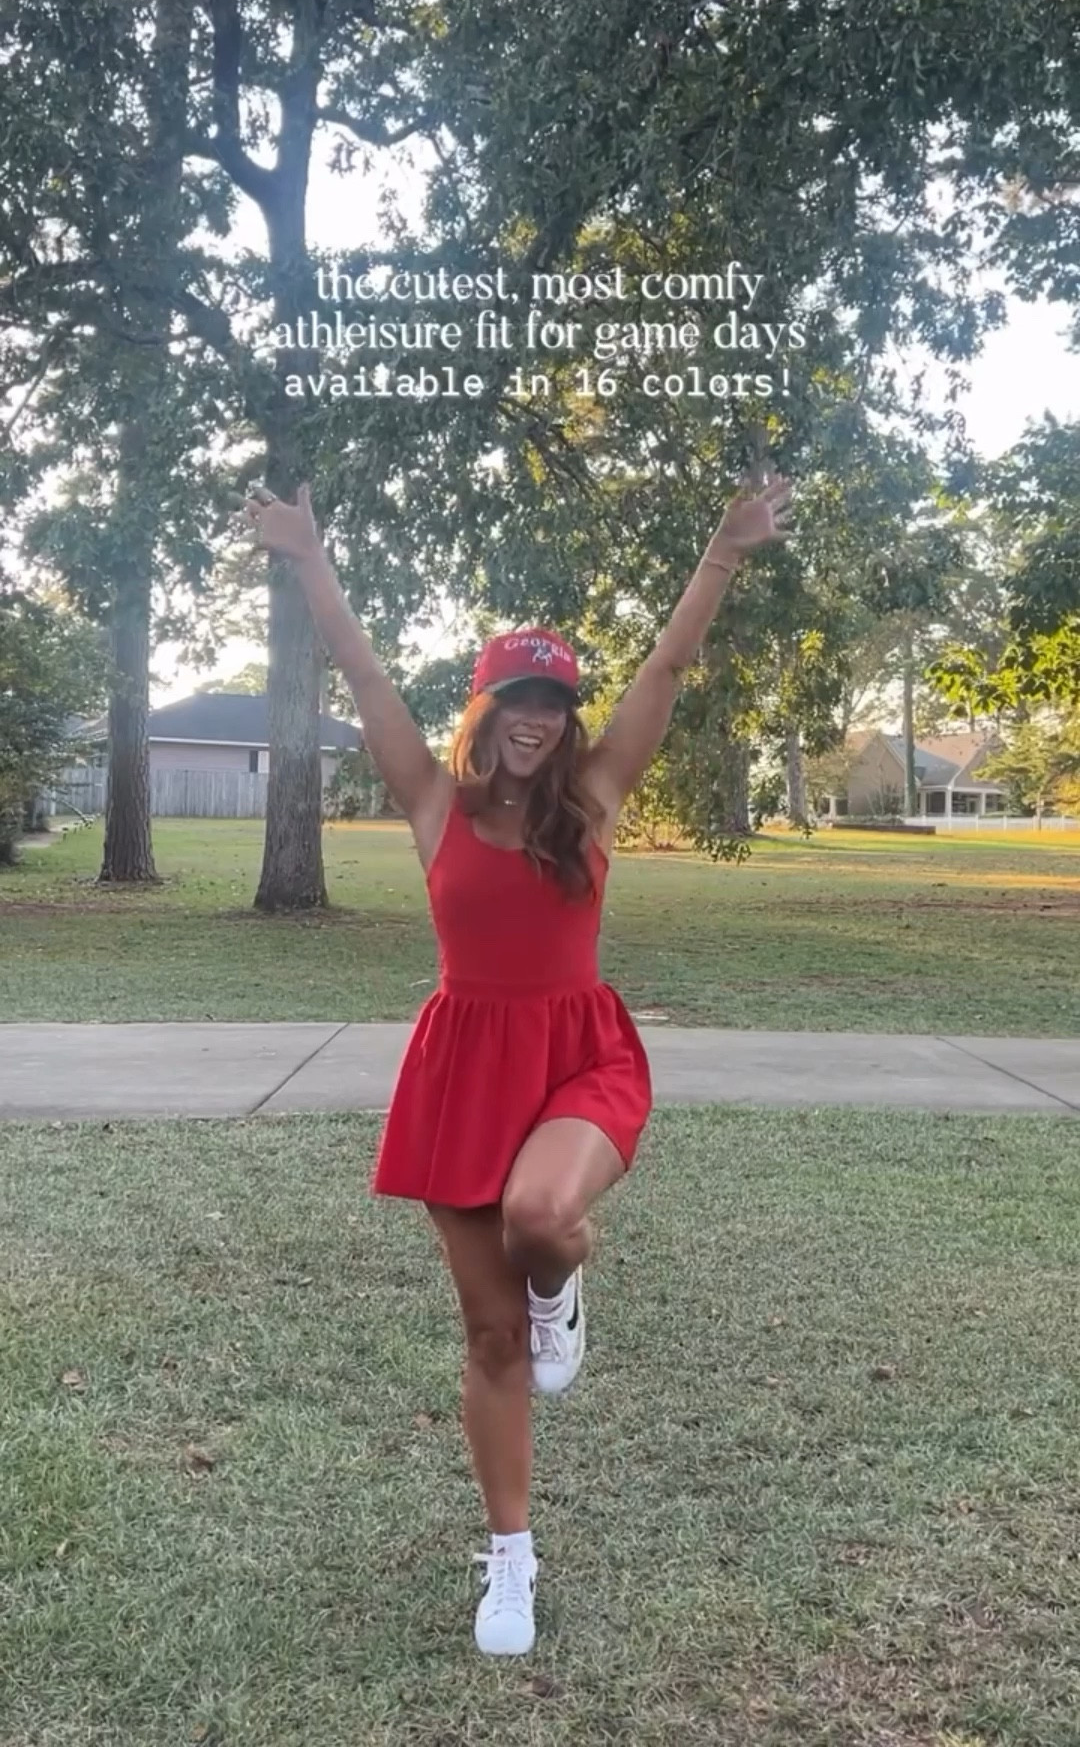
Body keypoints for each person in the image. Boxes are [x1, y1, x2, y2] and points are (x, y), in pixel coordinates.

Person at [244, 469, 793, 1656]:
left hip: (578, 1053)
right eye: (516, 698)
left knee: (543, 1216)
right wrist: (309, 559)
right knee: (490, 1344)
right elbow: (368, 676)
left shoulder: (593, 803)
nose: (535, 717)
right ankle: (510, 1561)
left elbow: (664, 673)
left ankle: (563, 1289)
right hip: (462, 1069)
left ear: (568, 716)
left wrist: (725, 553)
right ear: (484, 709)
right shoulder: (435, 804)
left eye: (552, 699)